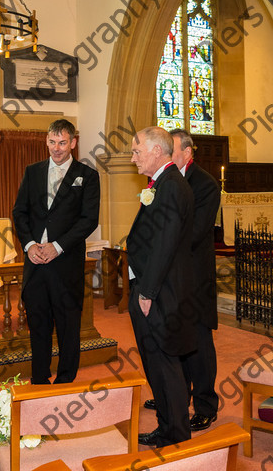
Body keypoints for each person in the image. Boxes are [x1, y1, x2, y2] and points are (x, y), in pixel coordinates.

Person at [12, 119, 100, 384]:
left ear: (73, 142)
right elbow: (20, 212)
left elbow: (89, 220)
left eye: (62, 143)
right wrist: (29, 246)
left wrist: (57, 247)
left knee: (68, 328)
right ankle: (39, 381)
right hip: (35, 264)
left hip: (66, 265)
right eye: (52, 142)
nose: (57, 148)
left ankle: (65, 383)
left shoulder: (88, 175)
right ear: (46, 141)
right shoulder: (33, 171)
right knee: (38, 326)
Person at [127, 127, 195, 447]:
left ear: (156, 151)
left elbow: (165, 245)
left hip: (160, 292)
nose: (133, 158)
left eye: (136, 151)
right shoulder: (161, 184)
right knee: (155, 362)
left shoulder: (171, 187)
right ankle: (166, 425)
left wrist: (147, 292)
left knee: (165, 364)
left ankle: (177, 431)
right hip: (153, 288)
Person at [171, 129, 220, 430]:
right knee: (175, 339)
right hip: (172, 278)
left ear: (187, 153)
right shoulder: (164, 181)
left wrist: (160, 244)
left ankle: (205, 404)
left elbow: (196, 231)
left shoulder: (205, 184)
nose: (165, 153)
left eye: (171, 149)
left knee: (199, 344)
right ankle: (177, 395)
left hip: (195, 278)